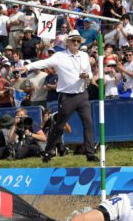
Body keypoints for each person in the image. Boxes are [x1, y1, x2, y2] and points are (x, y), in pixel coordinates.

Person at [18, 30, 98, 162]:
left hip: (82, 94)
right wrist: (28, 67)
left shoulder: (84, 55)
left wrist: (86, 76)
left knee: (88, 124)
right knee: (59, 126)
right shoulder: (59, 56)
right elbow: (44, 63)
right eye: (74, 41)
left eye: (78, 41)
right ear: (68, 42)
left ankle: (89, 154)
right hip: (67, 97)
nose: (76, 43)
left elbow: (89, 73)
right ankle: (48, 152)